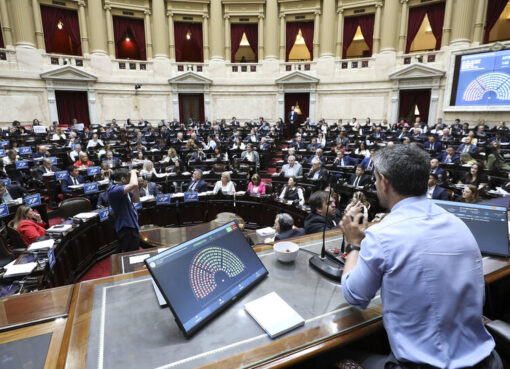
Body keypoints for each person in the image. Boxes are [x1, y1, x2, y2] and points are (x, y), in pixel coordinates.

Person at [339, 144, 501, 368]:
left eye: (375, 179)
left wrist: (355, 245)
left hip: (424, 365)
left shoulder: (382, 234)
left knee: (328, 358)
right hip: (486, 361)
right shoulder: (458, 224)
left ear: (384, 181)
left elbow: (355, 296)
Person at [107, 168, 140, 253]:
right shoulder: (114, 190)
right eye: (129, 177)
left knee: (133, 250)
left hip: (132, 224)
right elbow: (133, 184)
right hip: (126, 227)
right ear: (123, 179)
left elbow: (136, 200)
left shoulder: (123, 190)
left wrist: (136, 186)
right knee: (129, 253)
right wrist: (133, 172)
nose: (131, 179)